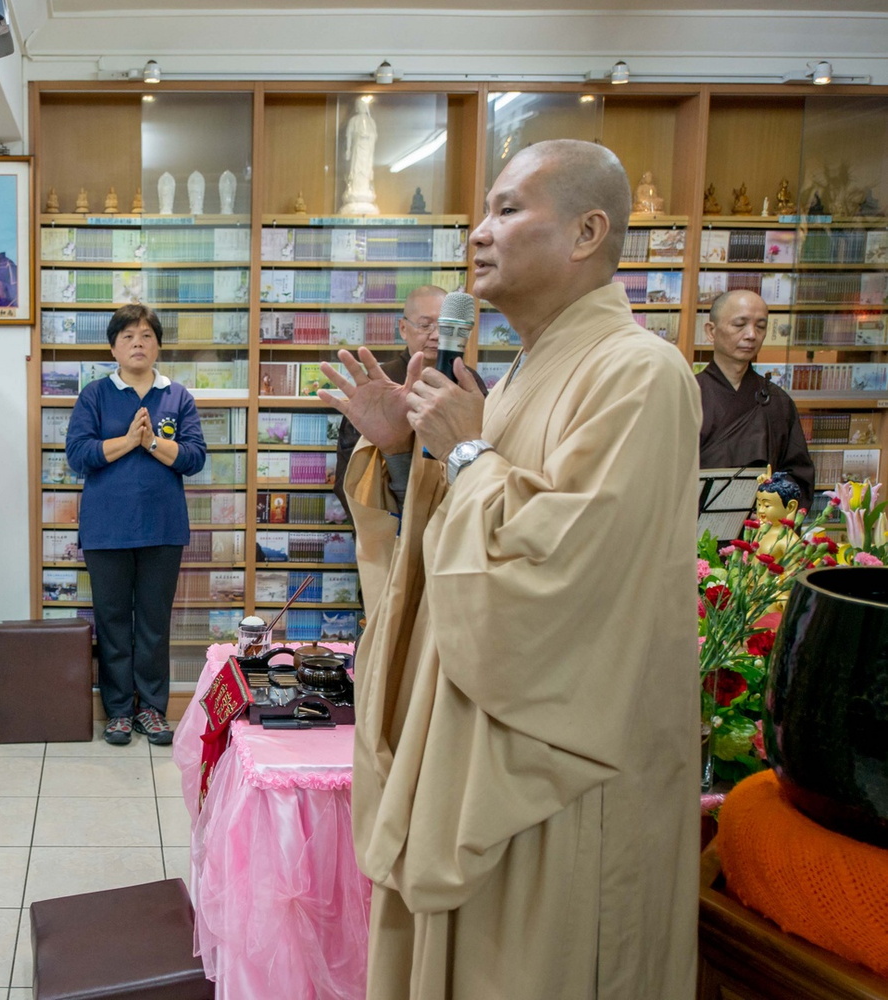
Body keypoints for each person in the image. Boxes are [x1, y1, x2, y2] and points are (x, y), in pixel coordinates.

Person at [322, 139, 698, 998]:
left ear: (587, 231)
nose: (479, 235)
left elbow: (558, 578)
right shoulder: (525, 373)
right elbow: (470, 528)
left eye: (507, 209)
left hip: (553, 770)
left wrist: (464, 457)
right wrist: (408, 452)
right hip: (474, 736)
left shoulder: (639, 375)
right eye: (482, 212)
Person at [65, 304, 207, 746]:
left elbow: (195, 457)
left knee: (152, 623)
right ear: (113, 347)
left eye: (146, 335)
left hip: (162, 529)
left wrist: (151, 443)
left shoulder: (176, 396)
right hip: (106, 529)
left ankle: (152, 710)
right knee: (111, 621)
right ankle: (119, 712)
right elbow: (77, 455)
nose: (138, 343)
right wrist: (128, 441)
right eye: (127, 336)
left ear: (159, 345)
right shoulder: (94, 395)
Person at [333, 285, 487, 520]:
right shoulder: (379, 385)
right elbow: (350, 475)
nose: (436, 335)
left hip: (460, 518)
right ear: (403, 329)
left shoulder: (469, 381)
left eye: (444, 325)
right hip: (393, 524)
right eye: (426, 325)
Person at [697, 288, 814, 498]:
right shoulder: (687, 395)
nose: (751, 335)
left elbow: (799, 476)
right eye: (739, 325)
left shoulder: (778, 402)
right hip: (695, 526)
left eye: (760, 327)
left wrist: (772, 507)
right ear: (711, 331)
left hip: (762, 526)